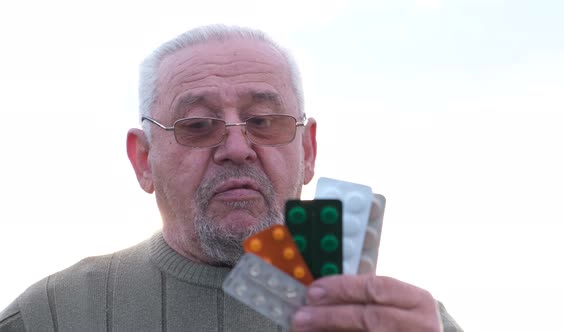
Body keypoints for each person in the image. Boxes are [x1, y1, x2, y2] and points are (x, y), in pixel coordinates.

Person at [0, 24, 463, 331]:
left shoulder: (409, 322)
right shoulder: (50, 316)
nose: (238, 148)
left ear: (307, 150)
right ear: (143, 160)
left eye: (264, 121)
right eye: (198, 126)